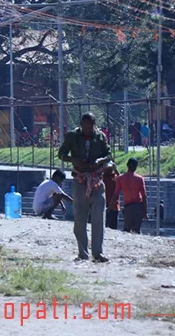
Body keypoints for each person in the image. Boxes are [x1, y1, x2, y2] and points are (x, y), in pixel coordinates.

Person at [57, 112, 112, 262]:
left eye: (90, 126)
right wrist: (74, 159)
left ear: (94, 125)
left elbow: (108, 155)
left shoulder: (100, 137)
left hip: (96, 182)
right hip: (80, 181)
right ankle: (83, 253)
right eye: (84, 126)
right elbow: (61, 154)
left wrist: (100, 161)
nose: (87, 129)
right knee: (80, 220)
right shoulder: (72, 136)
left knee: (98, 218)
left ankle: (98, 253)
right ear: (81, 124)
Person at [117, 158, 147, 233]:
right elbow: (144, 196)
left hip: (128, 207)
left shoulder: (120, 178)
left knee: (126, 230)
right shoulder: (139, 179)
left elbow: (115, 194)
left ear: (127, 165)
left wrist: (110, 207)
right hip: (138, 207)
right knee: (136, 230)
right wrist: (145, 212)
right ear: (136, 167)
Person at [103, 162, 120, 230]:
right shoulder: (101, 177)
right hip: (104, 206)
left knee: (113, 228)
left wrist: (116, 170)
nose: (108, 169)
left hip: (114, 206)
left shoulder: (115, 177)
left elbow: (122, 179)